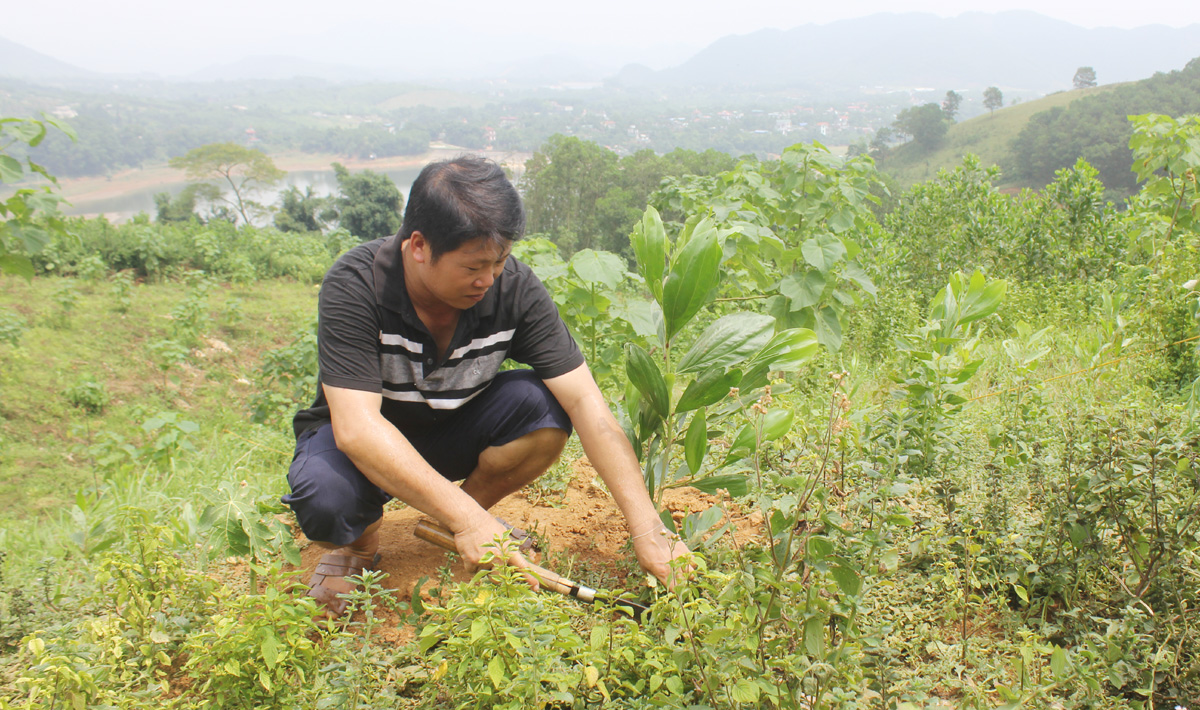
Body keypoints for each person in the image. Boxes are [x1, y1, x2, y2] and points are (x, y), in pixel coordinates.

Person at [283, 155, 691, 616]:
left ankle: (453, 519)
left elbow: (586, 403)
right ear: (418, 246)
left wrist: (647, 528)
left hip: (452, 428)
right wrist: (473, 521)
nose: (488, 279)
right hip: (364, 445)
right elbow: (357, 429)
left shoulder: (512, 288)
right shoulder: (356, 285)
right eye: (474, 266)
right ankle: (360, 548)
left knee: (544, 407)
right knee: (325, 495)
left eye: (500, 261)